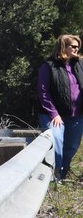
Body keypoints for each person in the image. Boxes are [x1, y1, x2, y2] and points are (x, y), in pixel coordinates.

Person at [37, 34, 83, 182]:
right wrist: (54, 114)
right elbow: (43, 91)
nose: (77, 49)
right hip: (54, 115)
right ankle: (51, 177)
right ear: (63, 47)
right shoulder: (48, 66)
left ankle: (60, 178)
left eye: (78, 46)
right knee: (56, 145)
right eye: (73, 46)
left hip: (76, 115)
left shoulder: (80, 64)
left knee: (71, 148)